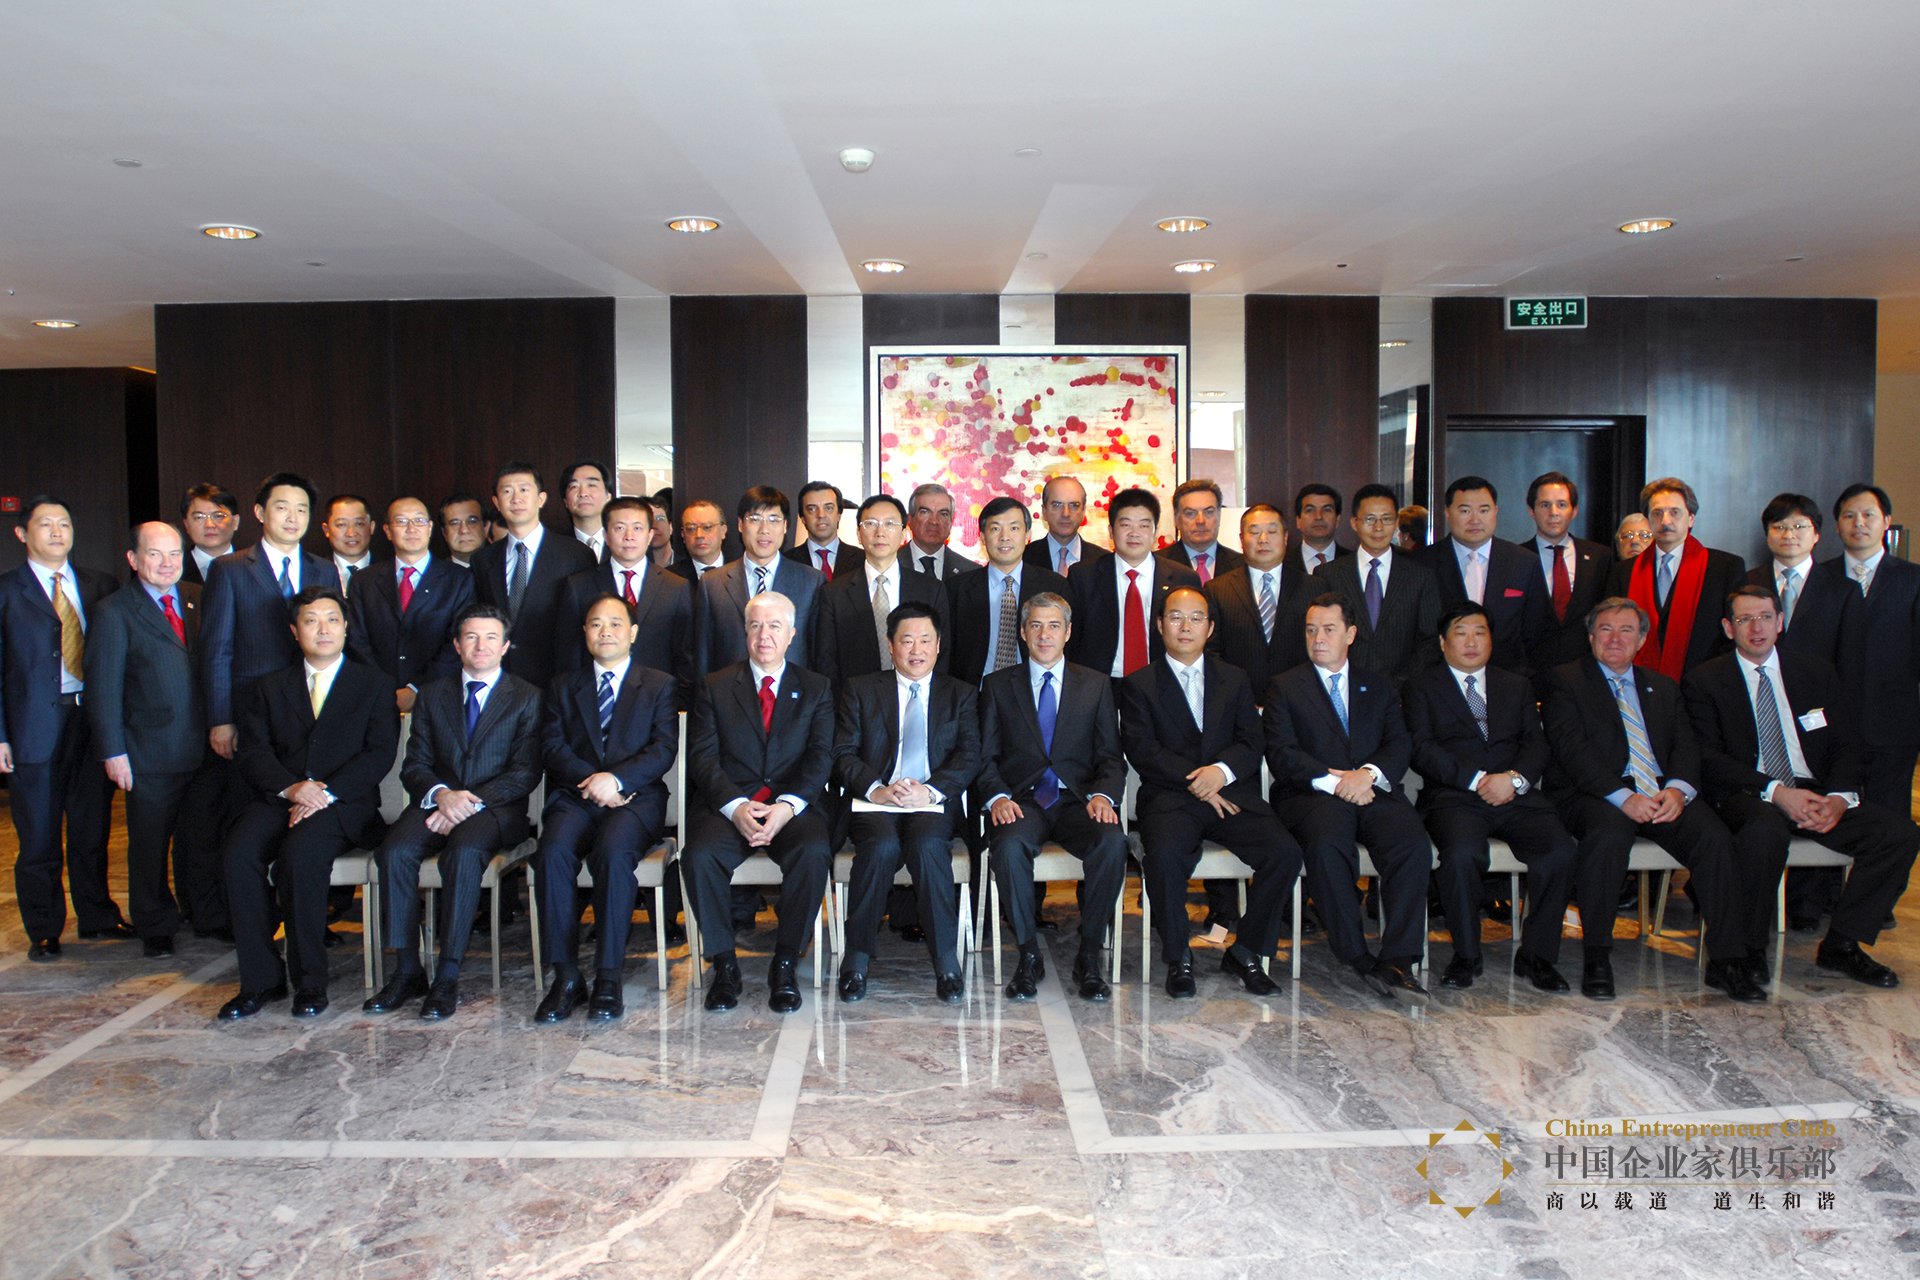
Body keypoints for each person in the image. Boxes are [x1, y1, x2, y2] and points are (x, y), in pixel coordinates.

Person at [1683, 583, 1918, 990]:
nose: (1756, 628)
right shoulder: (1705, 681)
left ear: (1780, 622)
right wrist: (1778, 792)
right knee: (1763, 833)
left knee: (1898, 834)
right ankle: (1749, 950)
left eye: (1765, 617)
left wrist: (1839, 798)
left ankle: (1842, 944)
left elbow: (1847, 743)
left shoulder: (1815, 672)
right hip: (1750, 793)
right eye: (1744, 619)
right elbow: (1708, 759)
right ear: (1728, 628)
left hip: (1815, 792)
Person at [1539, 597, 1759, 1002]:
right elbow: (1572, 751)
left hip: (1659, 790)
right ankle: (1598, 956)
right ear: (1590, 637)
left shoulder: (1663, 686)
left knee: (1714, 837)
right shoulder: (1564, 681)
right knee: (1607, 836)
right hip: (1593, 791)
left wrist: (1678, 790)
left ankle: (1727, 960)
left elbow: (1686, 746)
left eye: (1626, 630)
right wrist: (1623, 797)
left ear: (1641, 640)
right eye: (1605, 629)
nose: (1615, 638)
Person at [217, 587, 399, 1019]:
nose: (323, 629)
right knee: (238, 853)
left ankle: (310, 982)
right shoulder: (268, 687)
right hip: (280, 798)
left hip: (344, 805)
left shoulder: (373, 684)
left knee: (300, 856)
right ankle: (261, 980)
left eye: (332, 619)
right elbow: (253, 753)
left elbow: (379, 754)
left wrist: (325, 793)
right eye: (311, 620)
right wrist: (293, 789)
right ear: (294, 630)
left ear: (346, 628)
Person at [1118, 586, 1301, 998]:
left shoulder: (1234, 679)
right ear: (1160, 625)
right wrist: (1197, 782)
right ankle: (1178, 956)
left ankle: (1247, 950)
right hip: (1170, 798)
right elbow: (1143, 749)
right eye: (1175, 617)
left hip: (1231, 793)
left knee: (1284, 852)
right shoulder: (1139, 684)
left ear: (1210, 627)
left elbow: (1252, 741)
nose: (1185, 626)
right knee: (1165, 856)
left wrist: (1220, 772)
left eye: (1196, 618)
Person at [365, 603, 544, 1020]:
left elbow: (525, 772)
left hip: (496, 809)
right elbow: (415, 764)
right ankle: (407, 969)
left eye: (491, 638)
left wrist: (469, 800)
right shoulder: (432, 694)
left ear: (505, 646)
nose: (481, 646)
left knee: (462, 854)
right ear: (457, 645)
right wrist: (442, 794)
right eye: (471, 637)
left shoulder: (527, 697)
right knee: (394, 852)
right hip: (437, 802)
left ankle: (447, 974)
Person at [1263, 594, 1433, 1004]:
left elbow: (1399, 743)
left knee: (1411, 844)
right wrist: (1333, 781)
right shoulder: (1285, 686)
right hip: (1311, 794)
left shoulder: (1379, 685)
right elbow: (1282, 752)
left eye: (1328, 629)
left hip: (1372, 789)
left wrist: (1368, 775)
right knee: (1327, 844)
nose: (1318, 638)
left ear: (1351, 634)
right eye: (1311, 630)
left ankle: (1398, 959)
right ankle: (1356, 954)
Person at [1403, 601, 1575, 992]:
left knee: (1560, 852)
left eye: (1480, 633)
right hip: (1455, 797)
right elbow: (1421, 748)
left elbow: (1536, 743)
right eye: (1461, 633)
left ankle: (1537, 956)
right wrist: (1478, 780)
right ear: (1443, 642)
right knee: (1462, 855)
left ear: (1491, 640)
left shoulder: (1516, 685)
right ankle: (1467, 955)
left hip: (1516, 795)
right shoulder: (1421, 687)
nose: (1471, 642)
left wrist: (1513, 779)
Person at [681, 592, 835, 1015]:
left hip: (792, 806)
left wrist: (787, 805)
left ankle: (785, 964)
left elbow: (821, 756)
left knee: (813, 851)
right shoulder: (715, 685)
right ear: (744, 632)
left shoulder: (816, 687)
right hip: (730, 804)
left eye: (774, 626)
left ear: (792, 634)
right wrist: (735, 806)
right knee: (699, 855)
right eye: (755, 626)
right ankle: (724, 965)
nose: (764, 635)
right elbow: (703, 757)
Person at [532, 596, 678, 1023]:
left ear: (633, 633)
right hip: (574, 796)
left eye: (615, 624)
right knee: (552, 853)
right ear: (585, 633)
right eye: (596, 624)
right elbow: (552, 746)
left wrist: (615, 780)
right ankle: (566, 977)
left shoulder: (659, 685)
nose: (606, 632)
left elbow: (663, 749)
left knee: (613, 854)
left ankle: (608, 976)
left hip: (636, 799)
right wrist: (593, 781)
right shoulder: (562, 686)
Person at [976, 592, 1127, 1003]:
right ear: (1024, 633)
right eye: (1036, 626)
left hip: (1079, 800)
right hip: (1022, 801)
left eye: (1054, 626)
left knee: (1113, 843)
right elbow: (984, 757)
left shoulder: (1095, 685)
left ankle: (1089, 955)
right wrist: (997, 797)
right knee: (1008, 847)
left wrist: (1103, 795)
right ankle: (1028, 955)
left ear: (1068, 632)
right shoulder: (998, 686)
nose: (1045, 635)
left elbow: (1111, 757)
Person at [831, 601, 980, 1003]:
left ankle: (946, 962)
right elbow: (842, 753)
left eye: (925, 640)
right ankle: (856, 960)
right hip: (876, 802)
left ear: (938, 645)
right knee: (880, 846)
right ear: (891, 645)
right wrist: (875, 788)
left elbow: (969, 755)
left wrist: (931, 790)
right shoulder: (861, 689)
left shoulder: (960, 694)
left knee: (928, 844)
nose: (917, 649)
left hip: (931, 801)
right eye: (907, 640)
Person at [0, 497, 124, 959]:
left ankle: (97, 917)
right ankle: (45, 928)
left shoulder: (100, 585)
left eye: (65, 524)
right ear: (22, 534)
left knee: (92, 829)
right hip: (32, 726)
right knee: (39, 834)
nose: (57, 532)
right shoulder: (6, 591)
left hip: (91, 721)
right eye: (45, 524)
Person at [84, 523, 211, 957]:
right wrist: (113, 751)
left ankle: (205, 915)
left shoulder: (197, 596)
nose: (167, 563)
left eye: (174, 553)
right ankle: (155, 924)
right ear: (134, 559)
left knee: (201, 840)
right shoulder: (114, 611)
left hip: (203, 746)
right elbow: (103, 688)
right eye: (155, 554)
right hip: (148, 751)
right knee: (150, 845)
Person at [200, 473, 343, 763]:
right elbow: (217, 650)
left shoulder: (325, 570)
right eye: (282, 508)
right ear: (259, 512)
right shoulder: (229, 569)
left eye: (301, 509)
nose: (293, 518)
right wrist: (220, 719)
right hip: (250, 704)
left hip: (311, 701)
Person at [1795, 484, 1920, 815]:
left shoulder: (1913, 579)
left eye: (1868, 515)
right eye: (1849, 516)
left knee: (1890, 821)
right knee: (1828, 820)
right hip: (1828, 727)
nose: (1859, 523)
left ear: (1886, 521)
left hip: (1892, 725)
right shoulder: (1816, 578)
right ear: (1837, 525)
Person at [551, 494, 692, 705]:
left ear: (649, 535)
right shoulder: (578, 585)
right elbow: (568, 654)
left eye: (637, 528)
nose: (629, 536)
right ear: (606, 535)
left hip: (655, 703)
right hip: (595, 701)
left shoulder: (676, 587)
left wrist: (676, 702)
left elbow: (684, 656)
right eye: (619, 528)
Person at [469, 461, 596, 689]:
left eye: (524, 490)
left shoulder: (576, 555)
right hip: (499, 681)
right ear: (496, 502)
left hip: (557, 680)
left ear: (541, 499)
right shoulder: (483, 560)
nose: (516, 499)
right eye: (507, 491)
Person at [1605, 477, 1746, 680]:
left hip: (1706, 683)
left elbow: (1735, 632)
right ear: (1648, 520)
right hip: (1640, 683)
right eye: (1657, 513)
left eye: (1674, 512)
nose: (1665, 521)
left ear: (1691, 519)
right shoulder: (1623, 572)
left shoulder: (1725, 568)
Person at [348, 496, 474, 714]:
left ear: (430, 528)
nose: (412, 529)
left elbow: (458, 641)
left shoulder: (459, 579)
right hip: (376, 697)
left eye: (419, 521)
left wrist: (416, 688)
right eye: (401, 522)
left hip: (438, 697)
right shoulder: (364, 581)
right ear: (387, 531)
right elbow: (357, 641)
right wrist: (384, 689)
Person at [691, 486, 825, 684]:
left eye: (773, 520)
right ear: (740, 525)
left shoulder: (811, 581)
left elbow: (818, 655)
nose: (764, 530)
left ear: (785, 526)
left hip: (792, 694)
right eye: (755, 519)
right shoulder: (712, 584)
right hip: (729, 694)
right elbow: (703, 656)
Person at [810, 493, 946, 687]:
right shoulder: (833, 593)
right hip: (855, 699)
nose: (880, 532)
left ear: (904, 534)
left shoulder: (931, 590)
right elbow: (826, 661)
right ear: (859, 534)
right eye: (871, 524)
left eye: (890, 524)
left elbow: (942, 653)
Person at [1065, 487, 1201, 681]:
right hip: (1100, 684)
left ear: (1155, 531)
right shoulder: (1083, 576)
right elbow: (1072, 639)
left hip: (1162, 682)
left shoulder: (1183, 578)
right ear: (1111, 531)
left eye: (1144, 525)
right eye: (1126, 525)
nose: (1134, 533)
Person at [1310, 483, 1441, 683]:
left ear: (1396, 523)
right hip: (1344, 686)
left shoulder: (1420, 576)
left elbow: (1430, 640)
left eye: (1386, 519)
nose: (1378, 528)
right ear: (1354, 523)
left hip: (1403, 690)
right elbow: (1320, 634)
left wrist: (1402, 683)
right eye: (1370, 519)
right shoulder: (1328, 574)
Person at [1419, 476, 1550, 674]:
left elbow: (1536, 631)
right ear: (1447, 512)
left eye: (1484, 510)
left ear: (1495, 511)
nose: (1475, 520)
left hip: (1508, 678)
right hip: (1437, 679)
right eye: (1465, 511)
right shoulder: (1422, 563)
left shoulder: (1524, 562)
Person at [949, 496, 1068, 687]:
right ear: (982, 537)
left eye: (1014, 528)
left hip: (1034, 692)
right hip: (974, 694)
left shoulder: (1054, 586)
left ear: (1027, 535)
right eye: (995, 529)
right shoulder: (956, 589)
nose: (1005, 537)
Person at [1204, 503, 1310, 697]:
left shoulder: (1312, 588)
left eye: (1272, 531)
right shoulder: (1217, 590)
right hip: (1238, 700)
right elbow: (1211, 652)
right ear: (1241, 539)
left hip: (1298, 699)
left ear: (1285, 537)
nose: (1263, 540)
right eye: (1254, 532)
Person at [1525, 471, 1613, 671]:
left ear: (1574, 511)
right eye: (1545, 505)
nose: (1553, 512)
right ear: (1531, 511)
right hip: (1531, 671)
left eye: (1562, 505)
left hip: (1586, 669)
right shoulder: (1517, 558)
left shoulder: (1600, 557)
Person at [1163, 478, 1243, 584]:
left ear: (1219, 516)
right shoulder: (1158, 565)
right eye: (1190, 513)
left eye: (1208, 512)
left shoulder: (1243, 566)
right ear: (1177, 520)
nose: (1200, 521)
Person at [786, 481, 863, 579]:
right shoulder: (786, 562)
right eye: (812, 509)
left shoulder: (863, 559)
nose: (821, 515)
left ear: (839, 515)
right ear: (803, 518)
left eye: (828, 508)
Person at [905, 483, 979, 580]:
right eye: (925, 512)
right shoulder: (889, 564)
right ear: (910, 520)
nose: (934, 521)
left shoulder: (972, 573)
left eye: (943, 514)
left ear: (951, 522)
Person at [1025, 475, 1090, 576]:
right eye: (1057, 505)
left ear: (1083, 511)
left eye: (1074, 505)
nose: (1066, 514)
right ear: (1044, 511)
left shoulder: (1103, 561)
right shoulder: (1023, 558)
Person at [179, 482, 240, 585]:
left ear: (235, 522)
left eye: (218, 516)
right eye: (199, 517)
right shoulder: (173, 569)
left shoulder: (257, 567)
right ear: (186, 525)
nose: (209, 525)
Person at [1287, 484, 1351, 578]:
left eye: (1327, 510)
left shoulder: (1356, 562)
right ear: (1298, 521)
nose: (1318, 517)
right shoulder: (1282, 563)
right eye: (1310, 510)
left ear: (1337, 520)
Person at [322, 495, 375, 597]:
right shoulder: (315, 573)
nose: (351, 533)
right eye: (341, 525)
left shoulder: (391, 572)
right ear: (326, 530)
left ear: (371, 527)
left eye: (359, 524)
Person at [561, 459, 613, 562]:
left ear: (608, 497)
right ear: (565, 501)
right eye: (574, 486)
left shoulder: (624, 543)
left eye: (591, 485)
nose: (583, 493)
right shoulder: (554, 548)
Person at [670, 499, 728, 582]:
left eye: (707, 527)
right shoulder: (670, 578)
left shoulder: (742, 572)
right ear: (683, 535)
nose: (699, 535)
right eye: (691, 529)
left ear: (723, 531)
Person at [438, 493, 490, 568]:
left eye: (472, 521)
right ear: (444, 532)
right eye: (455, 523)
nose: (464, 530)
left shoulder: (504, 569)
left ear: (486, 528)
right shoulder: (431, 574)